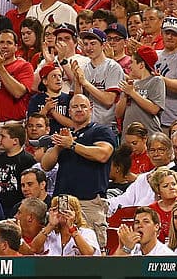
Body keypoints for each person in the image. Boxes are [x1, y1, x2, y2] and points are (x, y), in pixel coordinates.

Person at [40, 93, 117, 246]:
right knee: (60, 247)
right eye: (75, 107)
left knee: (93, 248)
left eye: (83, 106)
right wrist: (59, 146)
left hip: (89, 201)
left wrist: (73, 145)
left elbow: (103, 154)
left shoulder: (101, 131)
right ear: (69, 111)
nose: (79, 109)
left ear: (91, 108)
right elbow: (45, 164)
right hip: (63, 202)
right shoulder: (65, 135)